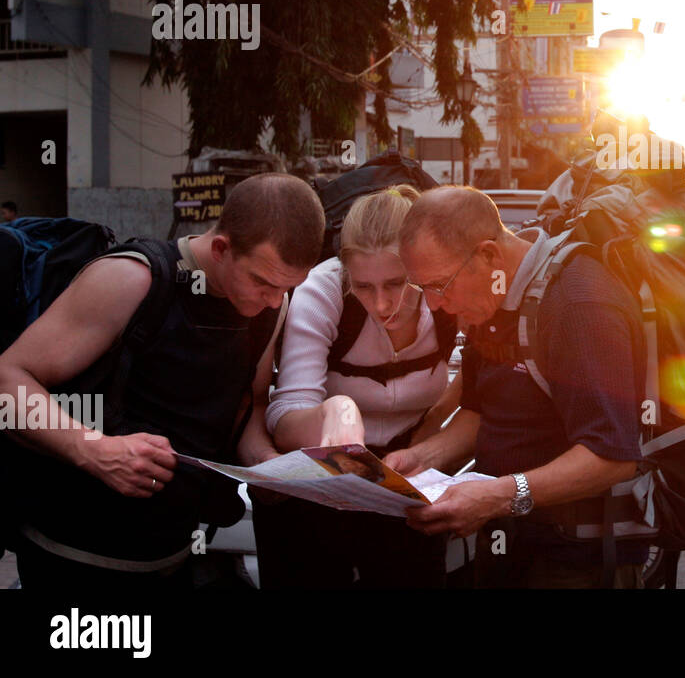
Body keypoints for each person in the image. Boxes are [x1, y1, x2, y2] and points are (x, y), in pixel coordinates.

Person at [0, 173, 324, 590]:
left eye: (288, 288)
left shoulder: (270, 308)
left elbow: (250, 406)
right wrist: (92, 449)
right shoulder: (134, 278)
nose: (274, 300)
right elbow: (8, 379)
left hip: (172, 554)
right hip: (72, 551)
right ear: (222, 248)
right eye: (262, 282)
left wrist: (265, 465)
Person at [391, 186, 645, 589]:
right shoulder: (489, 301)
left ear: (489, 255)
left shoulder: (577, 302)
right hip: (508, 543)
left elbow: (612, 455)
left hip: (578, 558)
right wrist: (421, 458)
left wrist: (498, 496)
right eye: (423, 289)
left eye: (440, 285)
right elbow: (481, 411)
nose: (435, 305)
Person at [254, 185, 461, 589]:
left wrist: (432, 426)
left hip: (408, 478)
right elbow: (285, 413)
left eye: (397, 283)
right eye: (364, 287)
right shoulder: (325, 289)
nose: (382, 304)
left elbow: (481, 377)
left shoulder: (442, 291)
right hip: (318, 480)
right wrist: (338, 411)